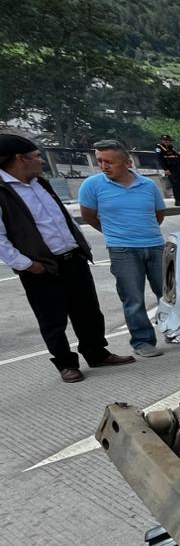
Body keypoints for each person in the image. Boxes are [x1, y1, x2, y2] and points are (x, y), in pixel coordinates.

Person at [0, 134, 135, 382]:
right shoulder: (3, 191)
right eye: (37, 156)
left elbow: (61, 217)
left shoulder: (41, 183)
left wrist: (79, 244)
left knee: (89, 311)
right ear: (20, 159)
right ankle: (65, 363)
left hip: (72, 258)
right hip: (41, 267)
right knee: (52, 319)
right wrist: (27, 264)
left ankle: (96, 353)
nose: (42, 160)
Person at [78, 139, 166, 358]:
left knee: (167, 294)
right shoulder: (93, 186)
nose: (104, 166)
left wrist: (144, 233)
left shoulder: (148, 185)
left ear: (127, 163)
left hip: (155, 246)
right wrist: (116, 234)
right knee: (133, 298)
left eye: (109, 161)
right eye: (100, 161)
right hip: (122, 250)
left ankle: (173, 329)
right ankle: (143, 340)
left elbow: (158, 215)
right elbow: (89, 216)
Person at [154, 133, 180, 206]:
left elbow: (177, 158)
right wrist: (165, 169)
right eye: (164, 140)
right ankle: (177, 201)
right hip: (170, 170)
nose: (166, 141)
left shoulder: (172, 148)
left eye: (168, 140)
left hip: (177, 169)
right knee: (176, 185)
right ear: (162, 140)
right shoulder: (159, 148)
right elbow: (160, 159)